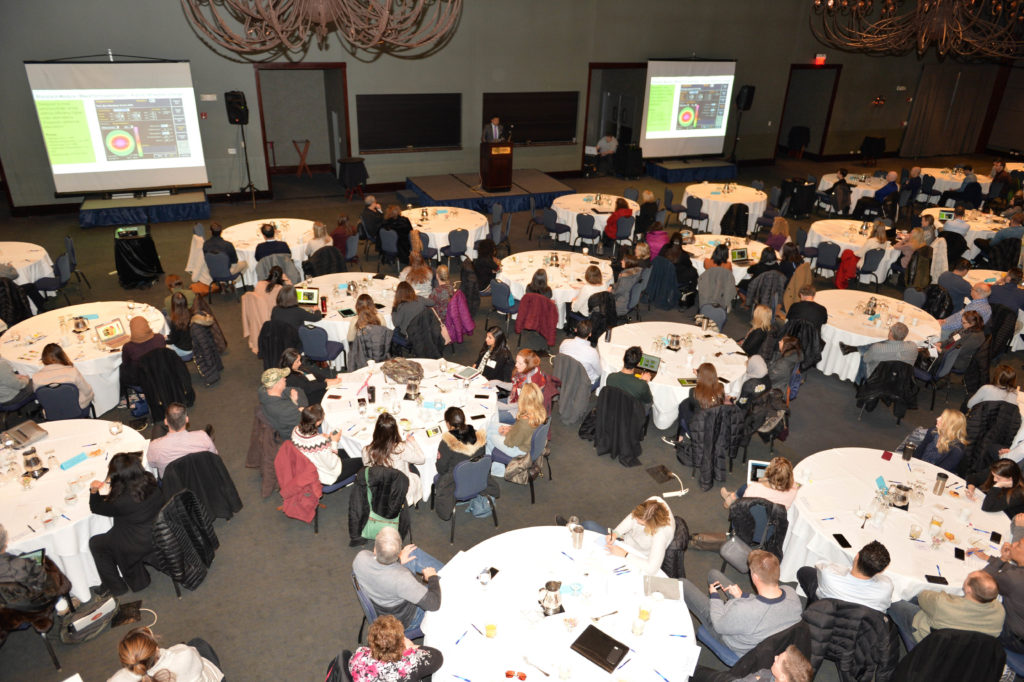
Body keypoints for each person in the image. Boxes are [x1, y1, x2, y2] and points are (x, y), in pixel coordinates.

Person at [681, 550, 802, 657]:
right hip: (759, 632)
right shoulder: (791, 593)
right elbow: (764, 603)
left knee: (683, 584)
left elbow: (719, 625)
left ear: (754, 577)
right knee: (714, 574)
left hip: (734, 642)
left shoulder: (744, 610)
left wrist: (715, 597)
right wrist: (742, 596)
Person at [88, 453, 163, 598]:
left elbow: (96, 507)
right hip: (160, 529)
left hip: (137, 541)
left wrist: (93, 491)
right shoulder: (149, 479)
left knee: (96, 543)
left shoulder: (121, 500)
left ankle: (117, 587)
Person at [351, 526, 444, 630]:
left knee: (412, 552)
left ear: (375, 548)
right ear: (399, 552)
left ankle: (449, 572)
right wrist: (432, 577)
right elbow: (434, 604)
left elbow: (384, 569)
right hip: (403, 621)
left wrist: (400, 561)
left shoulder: (361, 557)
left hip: (382, 604)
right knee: (444, 588)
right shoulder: (402, 578)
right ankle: (452, 575)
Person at [887, 571, 1003, 649]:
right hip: (964, 649)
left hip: (928, 637)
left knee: (893, 599)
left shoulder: (942, 604)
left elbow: (923, 595)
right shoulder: (1000, 612)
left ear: (968, 589)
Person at [565, 497, 676, 576]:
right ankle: (568, 530)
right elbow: (632, 518)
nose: (636, 520)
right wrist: (616, 533)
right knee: (589, 525)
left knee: (604, 570)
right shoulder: (653, 503)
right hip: (623, 542)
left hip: (637, 557)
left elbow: (652, 569)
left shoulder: (660, 535)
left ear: (651, 524)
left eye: (640, 521)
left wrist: (624, 554)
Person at [974, 513, 1024, 651]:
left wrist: (1002, 559)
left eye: (1019, 545)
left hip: (1012, 637)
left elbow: (979, 581)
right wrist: (989, 558)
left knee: (972, 603)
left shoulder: (1014, 580)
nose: (1013, 543)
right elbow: (1016, 568)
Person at [797, 540, 894, 612]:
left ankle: (812, 607)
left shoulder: (829, 575)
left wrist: (846, 569)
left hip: (828, 609)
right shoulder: (887, 587)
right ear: (881, 571)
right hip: (862, 620)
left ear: (856, 556)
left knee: (804, 571)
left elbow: (820, 564)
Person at [107, 626, 224, 682]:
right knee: (197, 643)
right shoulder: (183, 654)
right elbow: (194, 656)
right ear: (156, 648)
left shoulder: (120, 678)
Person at [348, 615, 443, 682]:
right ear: (400, 646)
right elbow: (438, 658)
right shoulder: (407, 666)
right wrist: (412, 646)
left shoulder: (358, 655)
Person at [363, 411, 426, 506]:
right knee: (414, 469)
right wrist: (413, 442)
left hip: (380, 487)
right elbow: (422, 459)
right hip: (400, 489)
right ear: (395, 430)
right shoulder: (400, 448)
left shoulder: (366, 450)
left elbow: (368, 468)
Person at [0, 522, 66, 609]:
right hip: (29, 606)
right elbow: (42, 581)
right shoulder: (20, 564)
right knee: (51, 572)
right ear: (5, 540)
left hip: (6, 613)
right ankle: (62, 606)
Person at [292, 403, 361, 485]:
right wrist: (335, 441)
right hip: (328, 475)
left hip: (313, 464)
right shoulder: (320, 442)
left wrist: (320, 436)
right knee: (362, 460)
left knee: (348, 451)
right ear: (317, 423)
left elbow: (307, 443)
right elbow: (332, 463)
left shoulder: (296, 430)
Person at [146, 402, 217, 476]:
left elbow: (152, 465)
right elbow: (214, 456)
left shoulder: (154, 446)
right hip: (199, 477)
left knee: (157, 428)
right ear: (186, 419)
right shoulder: (203, 436)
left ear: (166, 422)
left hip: (174, 484)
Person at [666, 362, 726, 444]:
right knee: (685, 404)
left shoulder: (694, 392)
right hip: (714, 425)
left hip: (699, 428)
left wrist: (698, 378)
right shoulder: (721, 387)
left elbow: (691, 408)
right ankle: (680, 437)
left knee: (683, 407)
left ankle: (679, 438)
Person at [838, 321, 917, 382]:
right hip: (900, 378)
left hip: (878, 378)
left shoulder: (877, 348)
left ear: (890, 333)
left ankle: (859, 383)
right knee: (885, 344)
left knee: (864, 356)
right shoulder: (913, 347)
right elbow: (895, 343)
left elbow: (866, 359)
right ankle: (852, 349)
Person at [486, 382, 546, 461]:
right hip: (525, 440)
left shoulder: (524, 421)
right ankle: (495, 465)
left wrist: (505, 433)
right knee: (490, 426)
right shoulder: (539, 410)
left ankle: (495, 467)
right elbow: (520, 431)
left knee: (489, 434)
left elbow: (510, 443)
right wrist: (510, 428)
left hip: (519, 450)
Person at [31, 343, 93, 409]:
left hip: (52, 411)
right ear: (62, 356)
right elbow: (87, 391)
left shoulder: (36, 377)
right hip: (75, 408)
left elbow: (39, 399)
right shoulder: (72, 372)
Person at [721, 456, 799, 510]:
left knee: (746, 486)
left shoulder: (754, 489)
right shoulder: (794, 490)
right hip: (773, 524)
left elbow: (743, 505)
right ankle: (731, 497)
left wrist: (761, 482)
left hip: (749, 522)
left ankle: (731, 497)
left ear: (769, 474)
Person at [492, 348, 547, 422]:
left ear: (528, 365)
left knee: (490, 417)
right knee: (489, 406)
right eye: (517, 361)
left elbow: (523, 403)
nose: (516, 365)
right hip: (513, 400)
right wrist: (498, 383)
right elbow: (515, 386)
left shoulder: (530, 383)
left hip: (521, 411)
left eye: (520, 363)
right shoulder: (525, 371)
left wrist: (505, 407)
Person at [257, 367, 308, 440]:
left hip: (285, 420)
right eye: (282, 378)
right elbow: (305, 421)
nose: (285, 379)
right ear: (277, 384)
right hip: (293, 436)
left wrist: (299, 408)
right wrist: (296, 403)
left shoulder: (263, 390)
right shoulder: (285, 410)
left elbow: (298, 390)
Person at [435, 406, 486, 478]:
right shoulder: (479, 437)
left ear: (448, 424)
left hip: (455, 480)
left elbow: (441, 469)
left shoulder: (447, 443)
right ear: (464, 420)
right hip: (478, 476)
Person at [935, 309, 985, 375]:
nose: (962, 324)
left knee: (929, 354)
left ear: (972, 324)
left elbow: (957, 351)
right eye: (962, 321)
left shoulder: (975, 338)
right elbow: (953, 339)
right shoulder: (967, 328)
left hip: (958, 359)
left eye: (964, 322)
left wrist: (941, 350)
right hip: (950, 350)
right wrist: (941, 343)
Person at [120, 317, 166, 388]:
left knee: (118, 368)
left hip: (139, 381)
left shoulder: (128, 347)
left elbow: (125, 364)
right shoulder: (159, 338)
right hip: (159, 374)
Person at [166, 290, 214, 359]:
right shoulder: (192, 313)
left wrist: (164, 339)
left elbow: (172, 341)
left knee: (163, 346)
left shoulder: (175, 322)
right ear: (185, 302)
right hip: (194, 344)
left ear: (173, 305)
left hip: (185, 350)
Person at [557, 318, 601, 387]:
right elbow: (599, 372)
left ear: (575, 330)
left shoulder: (564, 343)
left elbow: (561, 360)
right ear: (590, 334)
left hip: (566, 375)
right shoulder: (592, 352)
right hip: (583, 383)